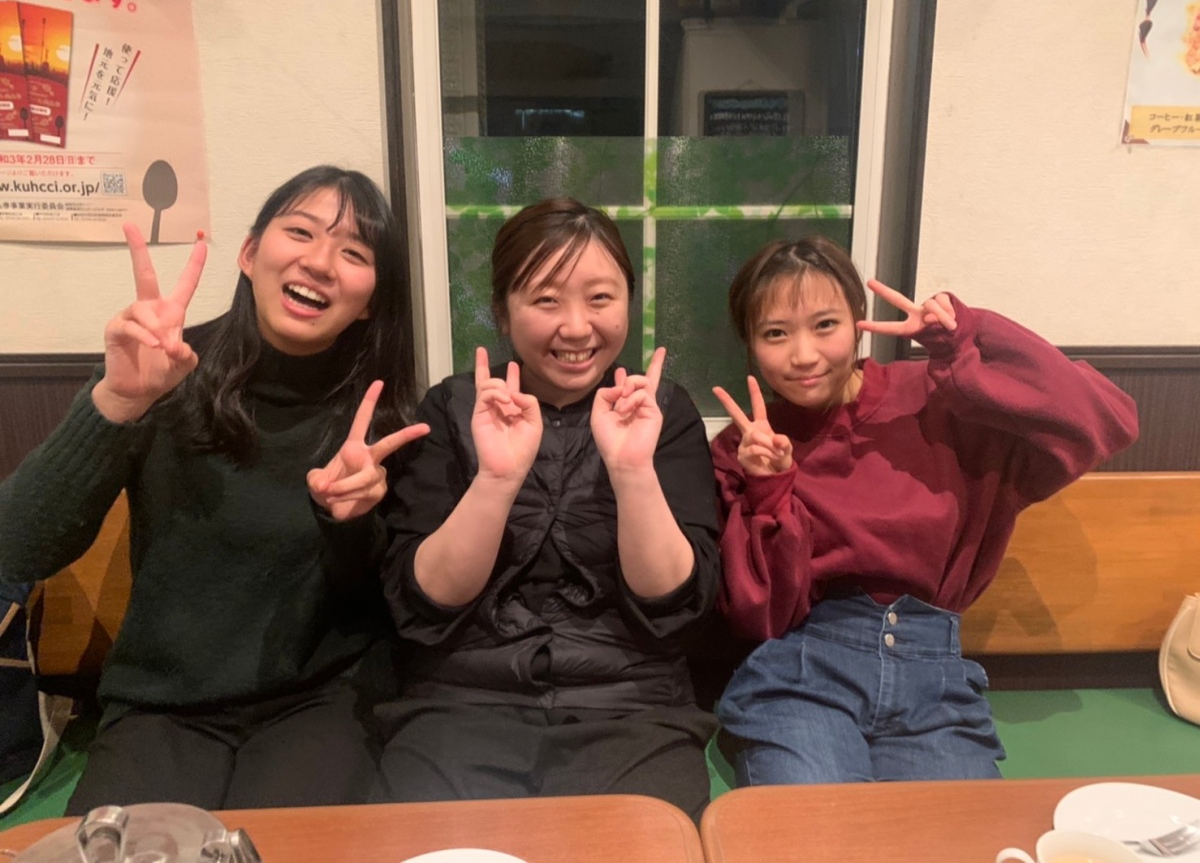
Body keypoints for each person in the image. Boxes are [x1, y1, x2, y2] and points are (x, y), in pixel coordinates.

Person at [0, 166, 428, 812]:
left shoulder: (384, 420)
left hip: (322, 703)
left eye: (354, 253)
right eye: (301, 232)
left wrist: (350, 523)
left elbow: (380, 607)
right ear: (250, 254)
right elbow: (19, 546)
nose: (319, 262)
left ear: (370, 300)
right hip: (162, 705)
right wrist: (116, 401)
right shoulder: (163, 371)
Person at [711, 235, 1139, 786]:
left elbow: (1107, 418)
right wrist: (769, 488)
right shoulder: (745, 448)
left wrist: (971, 341)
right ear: (749, 343)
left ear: (859, 321)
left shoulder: (940, 398)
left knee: (960, 830)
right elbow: (761, 615)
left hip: (935, 684)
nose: (804, 355)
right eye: (776, 333)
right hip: (803, 673)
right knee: (818, 828)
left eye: (825, 325)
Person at [376, 198, 720, 821]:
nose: (577, 327)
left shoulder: (663, 412)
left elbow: (675, 602)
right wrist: (496, 480)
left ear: (628, 302)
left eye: (600, 298)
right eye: (546, 300)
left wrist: (632, 470)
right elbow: (427, 600)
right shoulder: (452, 409)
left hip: (633, 707)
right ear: (502, 312)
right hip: (461, 705)